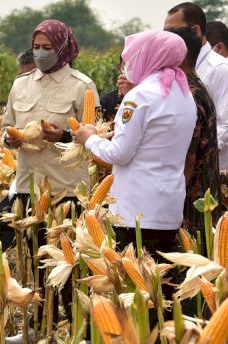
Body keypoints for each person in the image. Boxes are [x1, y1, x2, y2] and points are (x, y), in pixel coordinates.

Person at [73, 30, 196, 266]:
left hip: (135, 212)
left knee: (134, 291)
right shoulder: (183, 94)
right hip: (168, 207)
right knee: (160, 289)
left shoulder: (138, 97)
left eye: (129, 59)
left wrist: (89, 138)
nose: (126, 66)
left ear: (148, 57)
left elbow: (119, 153)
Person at [0, 20, 99, 250]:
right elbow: (7, 125)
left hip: (66, 190)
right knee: (33, 255)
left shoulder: (82, 86)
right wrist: (11, 138)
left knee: (63, 258)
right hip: (29, 187)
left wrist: (64, 136)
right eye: (36, 47)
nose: (40, 53)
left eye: (48, 48)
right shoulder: (21, 85)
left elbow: (96, 137)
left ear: (63, 48)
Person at [167, 26, 221, 236]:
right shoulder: (195, 87)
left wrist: (172, 198)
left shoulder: (189, 94)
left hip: (192, 203)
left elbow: (189, 158)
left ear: (177, 55)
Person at [165, 3, 228, 174]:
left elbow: (226, 124)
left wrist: (193, 148)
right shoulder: (173, 69)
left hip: (211, 171)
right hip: (180, 168)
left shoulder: (220, 68)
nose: (167, 38)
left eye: (173, 32)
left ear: (196, 31)